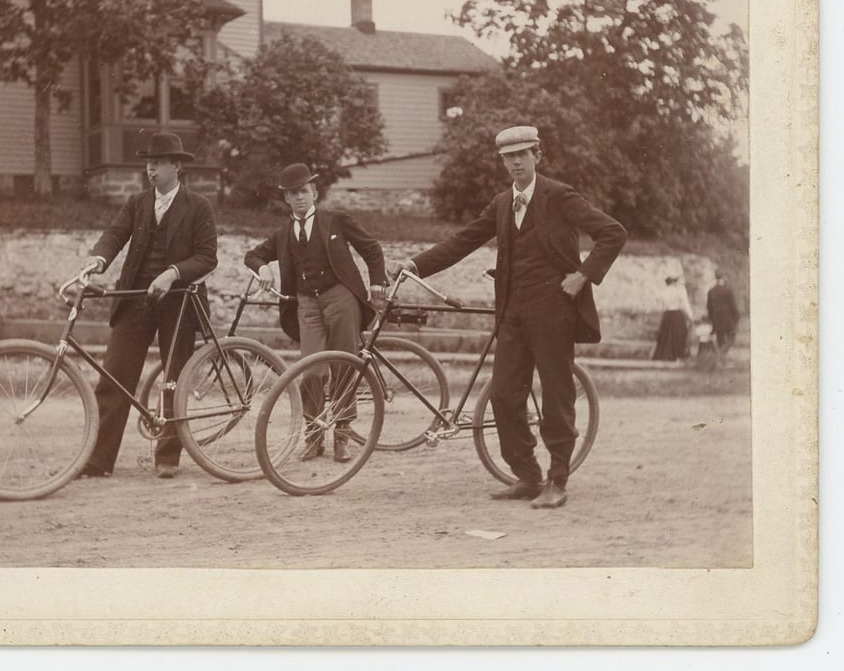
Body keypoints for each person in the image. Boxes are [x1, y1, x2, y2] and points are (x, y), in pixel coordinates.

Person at [389, 125, 626, 509]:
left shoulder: (559, 196)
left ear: (537, 155)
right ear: (502, 161)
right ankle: (528, 476)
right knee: (502, 396)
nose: (516, 162)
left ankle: (558, 480)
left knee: (556, 397)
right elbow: (462, 242)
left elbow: (613, 233)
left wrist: (582, 276)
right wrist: (414, 265)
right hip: (512, 313)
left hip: (554, 313)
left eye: (523, 154)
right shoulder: (501, 203)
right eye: (508, 157)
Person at [75, 132, 218, 480]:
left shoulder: (198, 206)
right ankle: (98, 460)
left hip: (179, 304)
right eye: (148, 164)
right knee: (115, 376)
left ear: (177, 167)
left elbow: (207, 257)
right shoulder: (137, 203)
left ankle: (168, 457)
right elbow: (115, 233)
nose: (150, 170)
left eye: (157, 164)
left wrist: (172, 273)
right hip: (136, 300)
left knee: (174, 380)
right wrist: (98, 260)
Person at [244, 163, 386, 463]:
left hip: (341, 298)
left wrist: (377, 284)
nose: (299, 198)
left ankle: (343, 436)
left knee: (344, 366)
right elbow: (252, 255)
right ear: (286, 199)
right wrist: (263, 269)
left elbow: (371, 248)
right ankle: (314, 436)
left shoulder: (335, 221)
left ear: (315, 193)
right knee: (311, 372)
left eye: (304, 192)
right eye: (293, 194)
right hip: (307, 305)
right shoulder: (283, 233)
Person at [651, 274, 694, 362]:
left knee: (666, 335)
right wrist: (691, 316)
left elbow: (661, 305)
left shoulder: (664, 291)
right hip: (677, 315)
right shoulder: (680, 290)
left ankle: (666, 355)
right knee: (679, 334)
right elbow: (685, 304)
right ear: (675, 281)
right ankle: (678, 355)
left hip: (667, 315)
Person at [706, 270, 740, 369]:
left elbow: (709, 308)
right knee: (732, 337)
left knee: (720, 339)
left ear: (716, 278)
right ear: (723, 278)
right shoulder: (728, 290)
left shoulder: (711, 291)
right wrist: (737, 317)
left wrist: (711, 320)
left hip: (716, 318)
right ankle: (722, 356)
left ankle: (721, 360)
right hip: (728, 317)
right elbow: (733, 306)